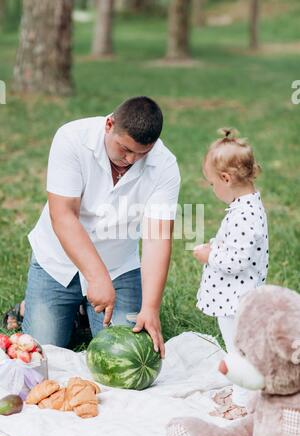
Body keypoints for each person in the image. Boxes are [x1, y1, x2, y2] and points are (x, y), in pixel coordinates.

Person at [7, 97, 181, 358]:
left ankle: (81, 311)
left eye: (141, 153)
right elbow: (64, 216)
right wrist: (97, 277)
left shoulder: (165, 165)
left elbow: (157, 239)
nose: (131, 159)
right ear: (109, 125)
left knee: (125, 354)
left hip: (118, 266)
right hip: (58, 261)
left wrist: (151, 307)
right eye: (124, 149)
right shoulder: (72, 138)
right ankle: (27, 309)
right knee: (45, 350)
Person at [193, 128, 268, 417]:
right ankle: (240, 390)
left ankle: (243, 401)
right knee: (235, 346)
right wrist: (216, 244)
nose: (213, 189)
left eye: (212, 183)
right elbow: (238, 246)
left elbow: (236, 260)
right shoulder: (246, 205)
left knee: (238, 351)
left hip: (235, 299)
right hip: (233, 296)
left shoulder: (245, 213)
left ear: (225, 179)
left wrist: (208, 254)